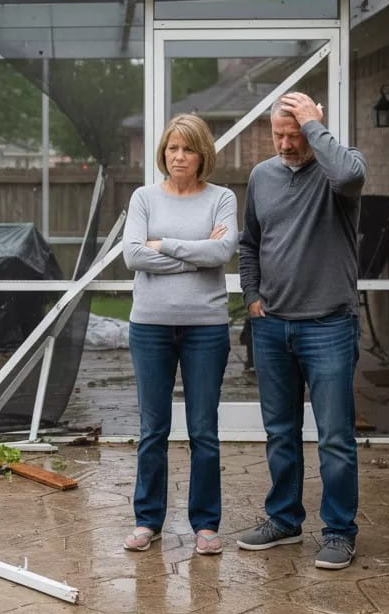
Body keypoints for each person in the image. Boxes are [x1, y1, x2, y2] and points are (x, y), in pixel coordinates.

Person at [237, 91, 366, 570]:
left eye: (296, 135)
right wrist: (252, 295)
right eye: (279, 135)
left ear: (314, 129)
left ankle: (339, 532)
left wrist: (314, 124)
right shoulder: (262, 176)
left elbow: (349, 177)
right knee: (280, 433)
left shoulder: (341, 167)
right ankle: (284, 519)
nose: (287, 144)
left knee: (334, 437)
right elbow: (250, 242)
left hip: (329, 324)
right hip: (273, 325)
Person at [122, 113, 238, 556]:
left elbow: (223, 251)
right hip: (150, 326)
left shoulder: (221, 198)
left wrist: (164, 244)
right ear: (163, 152)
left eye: (188, 148)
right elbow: (133, 256)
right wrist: (196, 256)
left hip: (205, 329)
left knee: (203, 430)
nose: (179, 156)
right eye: (172, 148)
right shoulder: (144, 197)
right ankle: (147, 520)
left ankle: (205, 524)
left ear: (202, 153)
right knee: (153, 429)